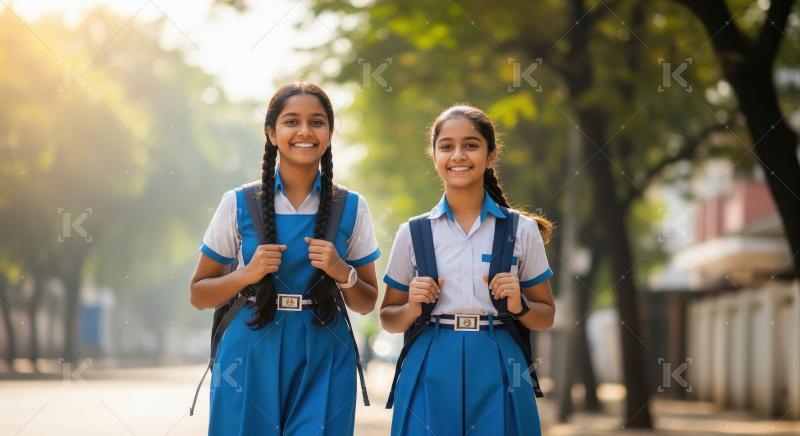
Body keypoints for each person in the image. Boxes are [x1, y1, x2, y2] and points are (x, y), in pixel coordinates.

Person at [190, 82, 381, 435]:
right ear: (272, 133)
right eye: (292, 121)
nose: (305, 131)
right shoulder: (237, 202)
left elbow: (368, 302)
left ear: (329, 132)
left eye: (317, 122)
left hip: (325, 350)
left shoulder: (351, 205)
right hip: (250, 349)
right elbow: (199, 294)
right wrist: (245, 275)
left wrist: (342, 271)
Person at [380, 104, 556, 435]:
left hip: (501, 358)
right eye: (447, 146)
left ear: (490, 155)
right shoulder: (413, 233)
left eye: (471, 145)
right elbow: (388, 318)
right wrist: (412, 307)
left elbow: (546, 315)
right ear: (434, 156)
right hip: (430, 358)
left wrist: (519, 305)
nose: (458, 155)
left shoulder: (521, 230)